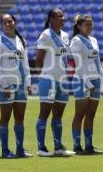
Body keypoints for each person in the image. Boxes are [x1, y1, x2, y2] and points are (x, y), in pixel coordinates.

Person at [35, 8, 75, 157]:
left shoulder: (65, 36)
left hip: (62, 80)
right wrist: (43, 76)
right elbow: (38, 60)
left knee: (58, 115)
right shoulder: (45, 35)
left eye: (63, 16)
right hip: (49, 79)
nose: (62, 18)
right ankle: (41, 148)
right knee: (44, 114)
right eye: (59, 16)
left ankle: (58, 147)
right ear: (51, 19)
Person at [0, 14, 33, 158]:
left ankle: (20, 150)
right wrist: (4, 85)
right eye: (4, 23)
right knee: (5, 117)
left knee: (20, 117)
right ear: (1, 26)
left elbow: (26, 64)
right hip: (7, 84)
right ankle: (5, 151)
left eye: (10, 21)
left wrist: (28, 82)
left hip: (21, 84)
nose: (8, 24)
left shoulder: (21, 40)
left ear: (15, 22)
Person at [70, 14, 103, 155]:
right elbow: (78, 64)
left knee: (91, 115)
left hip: (95, 80)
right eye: (87, 24)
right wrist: (87, 82)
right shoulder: (76, 41)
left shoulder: (93, 40)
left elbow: (98, 62)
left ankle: (89, 145)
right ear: (78, 26)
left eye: (91, 24)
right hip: (82, 81)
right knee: (80, 113)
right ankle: (76, 146)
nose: (90, 26)